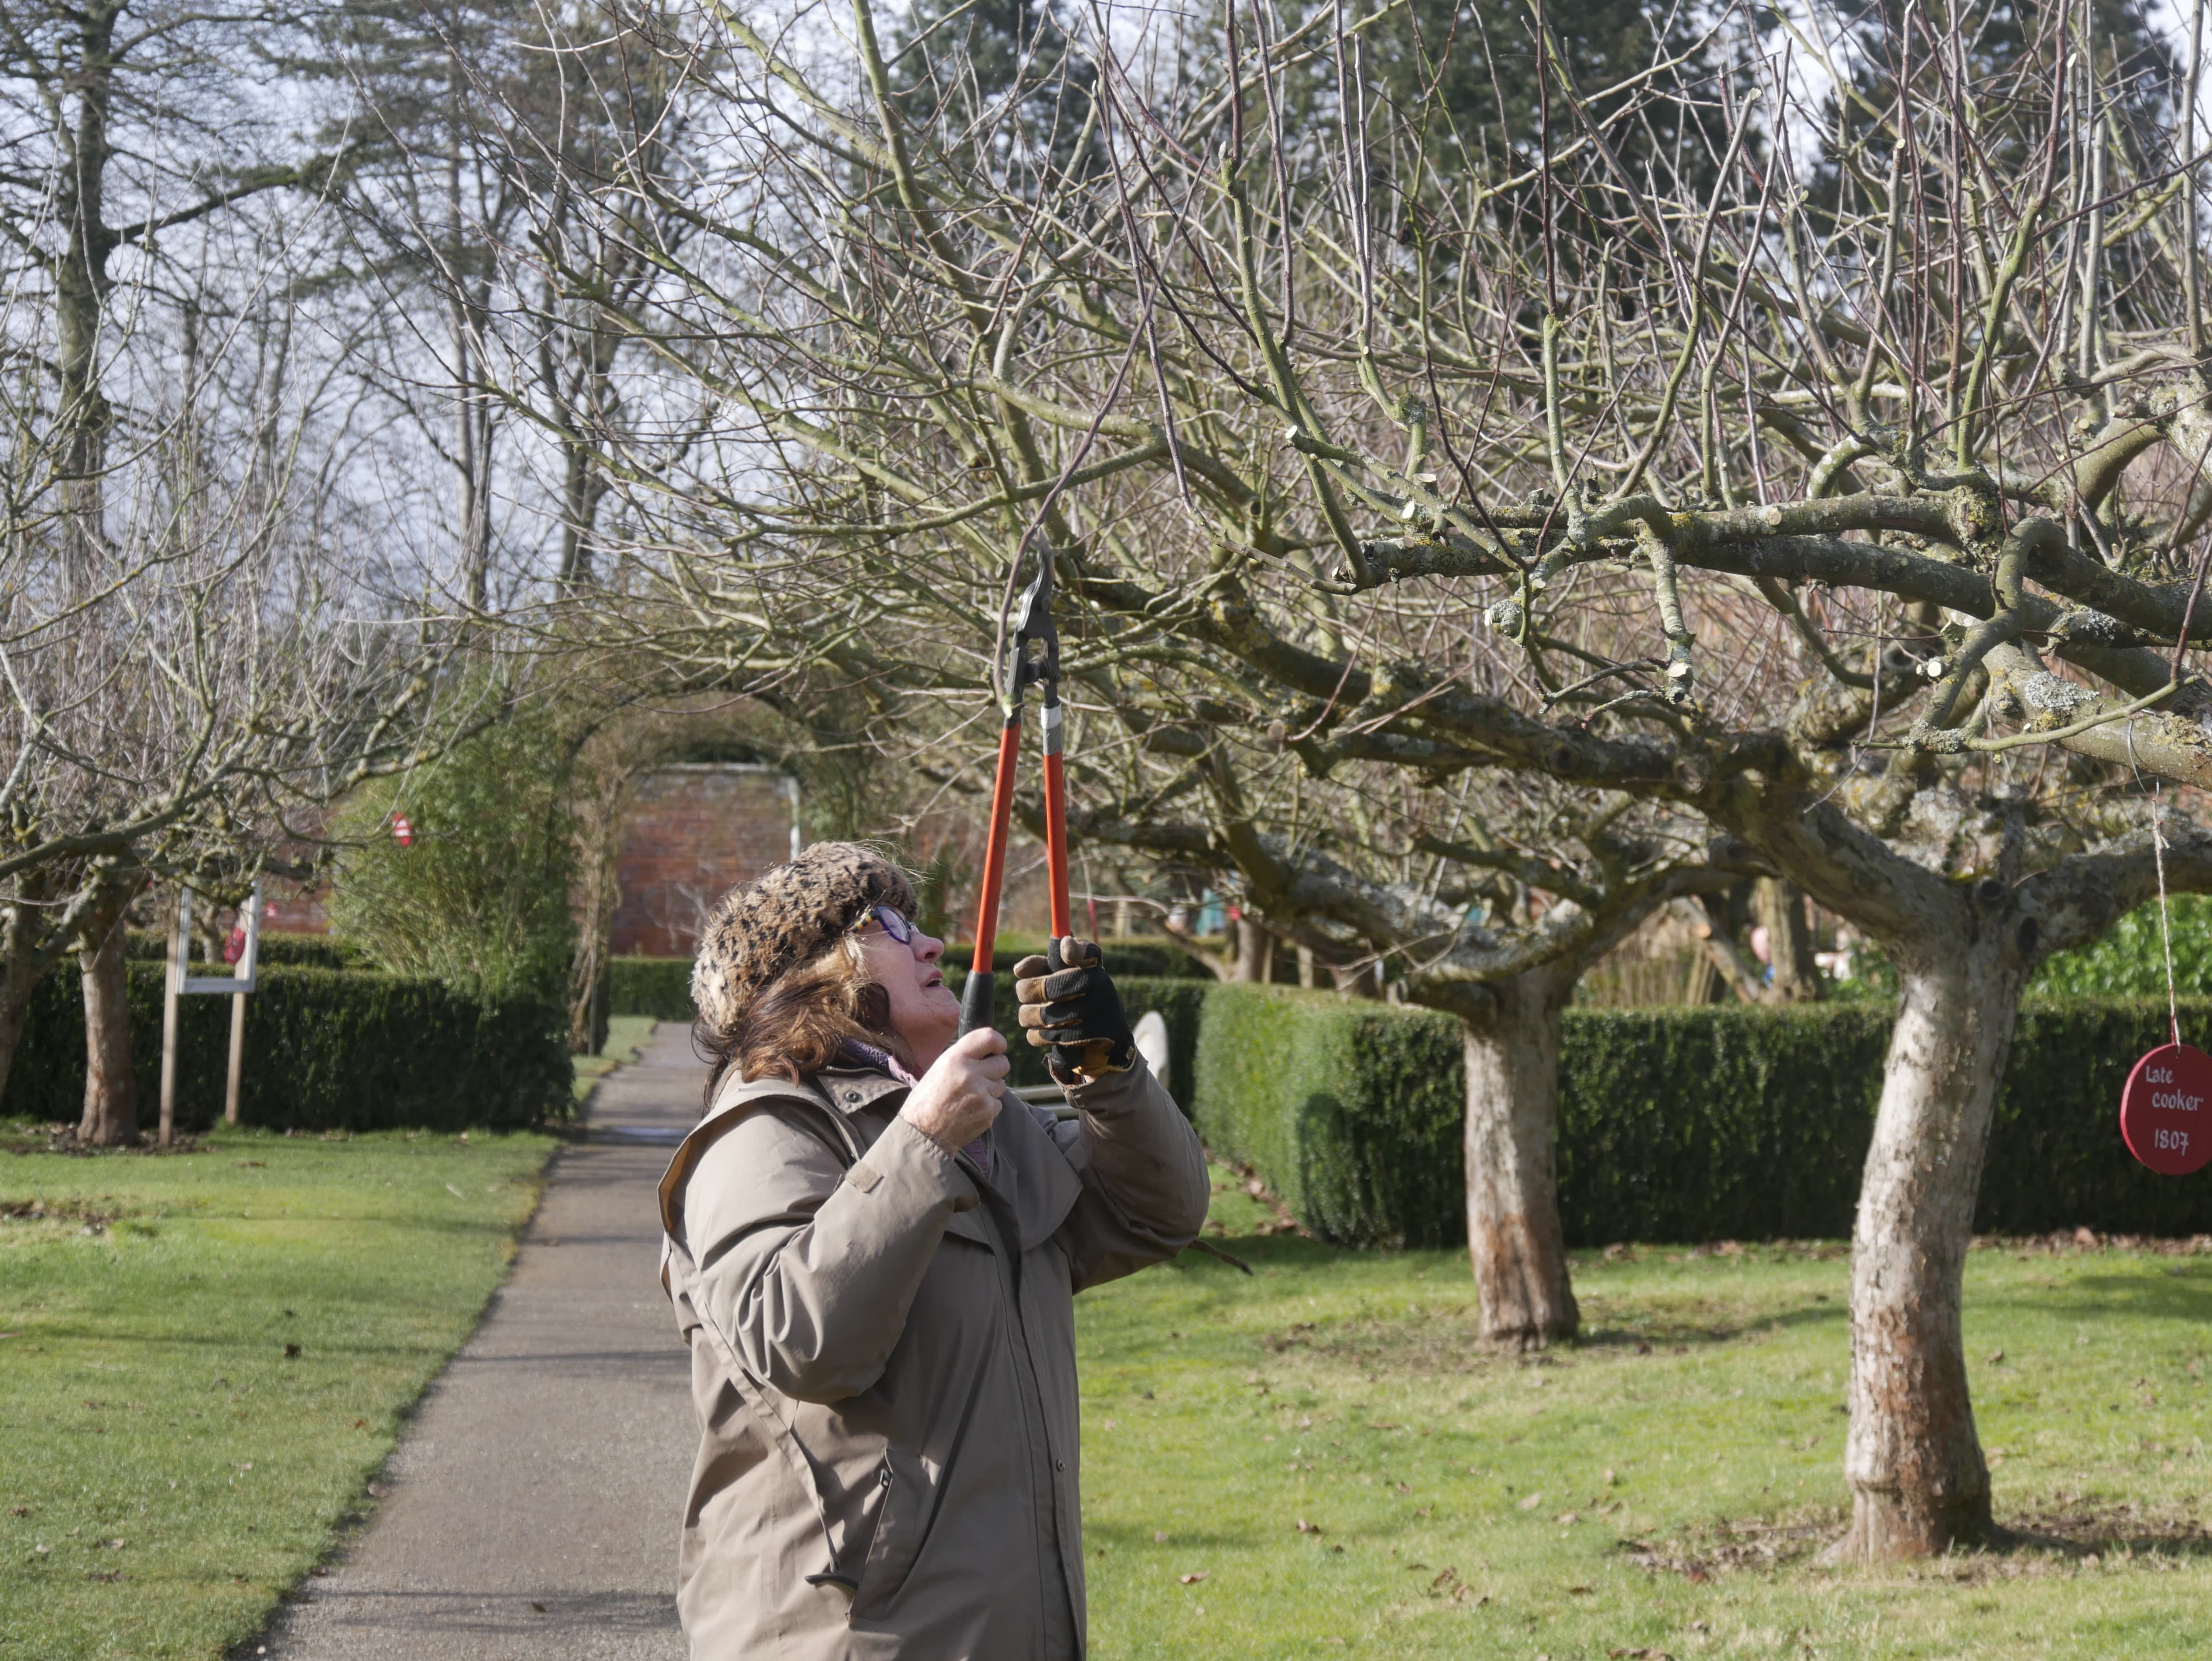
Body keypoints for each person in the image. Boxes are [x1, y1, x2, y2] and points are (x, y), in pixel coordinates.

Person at [658, 843, 1210, 1658]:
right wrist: (923, 1144)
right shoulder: (763, 1131)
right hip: (847, 1640)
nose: (929, 944)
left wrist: (1107, 1069)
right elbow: (799, 1339)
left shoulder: (985, 1124)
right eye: (887, 923)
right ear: (817, 973)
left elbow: (1157, 1213)